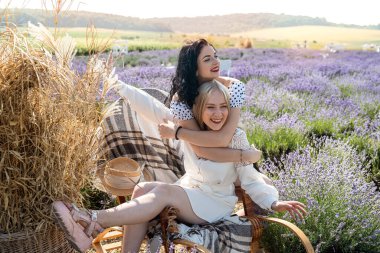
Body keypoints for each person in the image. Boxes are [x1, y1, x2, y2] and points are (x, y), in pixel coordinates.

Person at [52, 80, 307, 253]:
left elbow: (251, 178)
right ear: (198, 109)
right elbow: (152, 109)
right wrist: (118, 85)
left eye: (223, 107)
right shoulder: (188, 131)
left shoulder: (236, 138)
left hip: (214, 203)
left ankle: (91, 218)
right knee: (141, 188)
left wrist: (275, 202)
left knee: (163, 193)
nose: (218, 114)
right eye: (211, 107)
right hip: (191, 194)